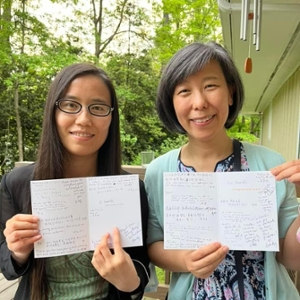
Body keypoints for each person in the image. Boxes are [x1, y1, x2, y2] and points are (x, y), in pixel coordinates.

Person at [144, 41, 300, 300]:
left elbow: (291, 258)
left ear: (230, 92)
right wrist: (186, 261)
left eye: (210, 86)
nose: (199, 102)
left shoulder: (270, 166)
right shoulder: (160, 172)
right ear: (171, 102)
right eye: (184, 91)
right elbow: (154, 243)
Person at [0, 63, 150, 300]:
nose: (84, 119)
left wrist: (130, 283)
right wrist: (17, 251)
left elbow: (140, 265)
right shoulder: (16, 183)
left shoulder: (129, 190)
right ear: (53, 111)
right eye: (70, 105)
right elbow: (7, 267)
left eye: (98, 107)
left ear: (111, 117)